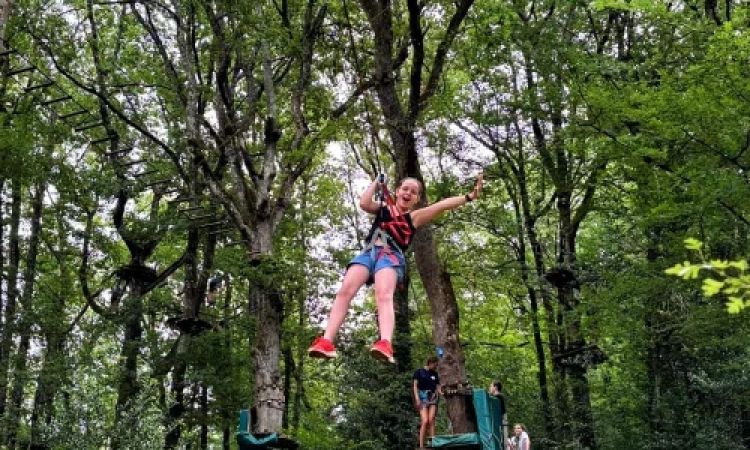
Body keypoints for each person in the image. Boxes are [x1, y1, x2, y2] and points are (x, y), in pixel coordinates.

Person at [308, 173, 483, 363]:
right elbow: (364, 203)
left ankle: (385, 342)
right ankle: (326, 341)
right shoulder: (384, 209)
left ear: (416, 199)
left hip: (390, 254)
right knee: (344, 291)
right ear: (397, 191)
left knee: (383, 295)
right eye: (405, 189)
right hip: (369, 251)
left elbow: (441, 205)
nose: (408, 193)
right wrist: (377, 182)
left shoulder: (414, 217)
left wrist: (469, 197)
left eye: (413, 192)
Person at [413, 356, 442, 450]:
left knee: (431, 419)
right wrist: (417, 398)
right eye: (435, 365)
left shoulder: (435, 374)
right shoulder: (419, 372)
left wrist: (442, 392)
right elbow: (415, 386)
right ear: (430, 363)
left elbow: (438, 386)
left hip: (433, 397)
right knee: (425, 420)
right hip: (423, 397)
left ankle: (433, 444)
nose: (436, 367)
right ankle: (421, 446)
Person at [489, 380, 509, 445]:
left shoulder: (498, 396)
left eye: (491, 386)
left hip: (501, 421)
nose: (489, 388)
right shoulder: (498, 396)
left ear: (495, 387)